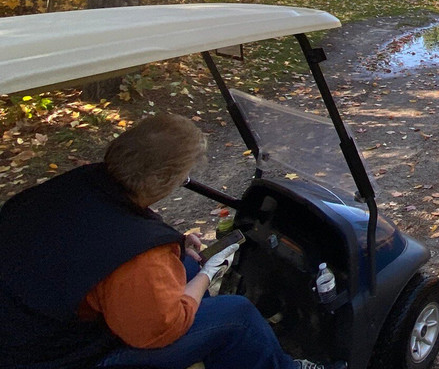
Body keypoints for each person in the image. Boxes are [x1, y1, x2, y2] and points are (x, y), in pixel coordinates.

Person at [0, 114, 336, 369]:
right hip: (55, 357)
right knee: (237, 315)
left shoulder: (88, 182)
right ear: (165, 180)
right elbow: (158, 330)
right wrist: (206, 275)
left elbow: (106, 231)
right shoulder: (137, 253)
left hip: (26, 319)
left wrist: (174, 245)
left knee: (186, 262)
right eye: (183, 175)